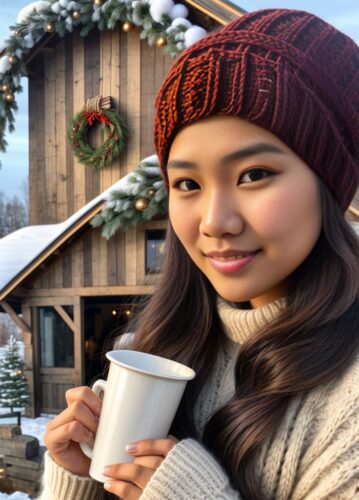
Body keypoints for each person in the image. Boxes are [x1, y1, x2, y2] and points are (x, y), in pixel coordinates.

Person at [39, 8, 359, 500]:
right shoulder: (161, 342)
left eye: (253, 174)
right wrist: (81, 482)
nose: (214, 221)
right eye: (187, 183)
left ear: (328, 182)